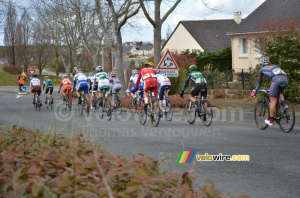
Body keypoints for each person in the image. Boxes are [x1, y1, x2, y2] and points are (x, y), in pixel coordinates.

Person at [251, 57, 288, 126]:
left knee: (273, 100)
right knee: (278, 92)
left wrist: (254, 93)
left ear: (261, 64)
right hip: (285, 80)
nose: (260, 66)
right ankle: (284, 105)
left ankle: (271, 121)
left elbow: (259, 84)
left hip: (276, 81)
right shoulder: (274, 66)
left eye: (260, 65)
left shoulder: (261, 70)